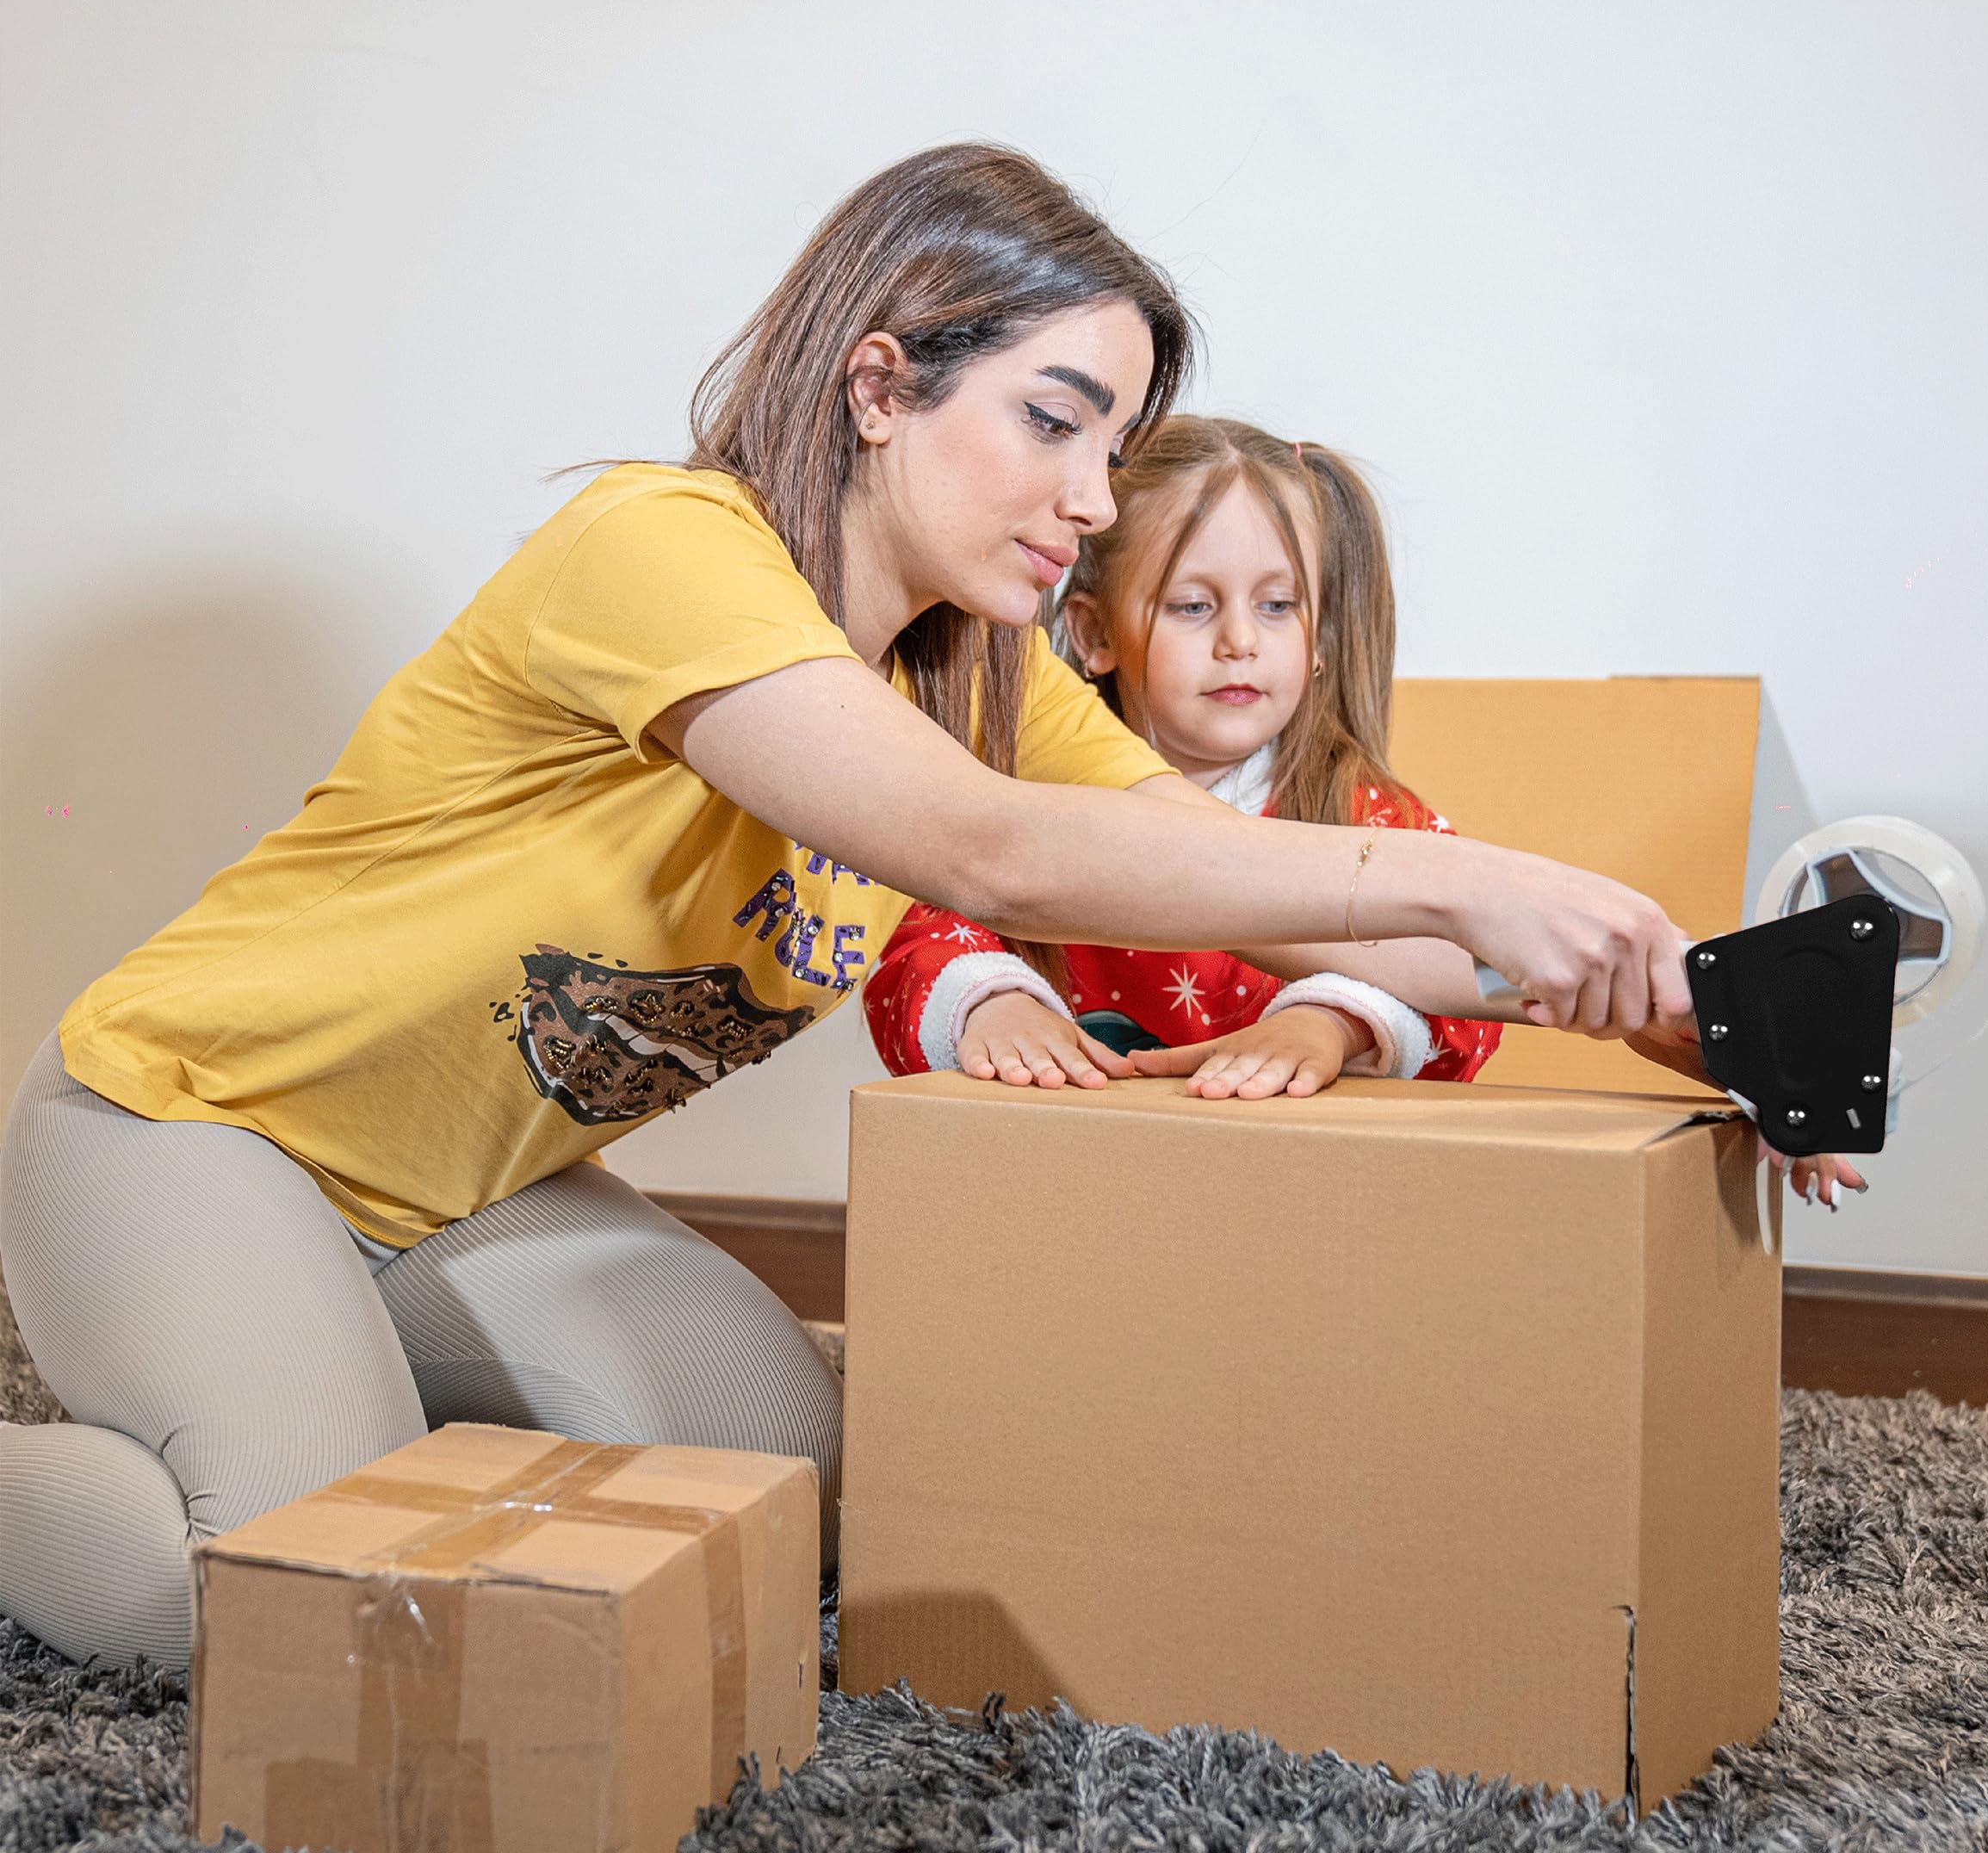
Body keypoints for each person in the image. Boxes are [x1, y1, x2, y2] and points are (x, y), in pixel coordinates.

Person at [0, 145, 1694, 1671]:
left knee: (792, 1473)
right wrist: (1473, 873)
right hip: (189, 1127)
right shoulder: (660, 547)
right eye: (1053, 421)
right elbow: (988, 852)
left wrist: (1677, 998)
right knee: (264, 1603)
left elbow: (1278, 903)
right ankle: (244, 1427)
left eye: (1114, 447)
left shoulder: (977, 677)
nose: (1096, 500)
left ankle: (317, 1391)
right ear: (879, 387)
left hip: (455, 1201)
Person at [866, 415, 1507, 1095]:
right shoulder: (1029, 801)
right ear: (1094, 633)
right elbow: (909, 932)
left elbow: (1476, 992)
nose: (1240, 641)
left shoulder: (1376, 820)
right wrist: (991, 1002)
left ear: (1320, 637)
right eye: (1193, 606)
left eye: (1278, 605)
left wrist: (1334, 1023)